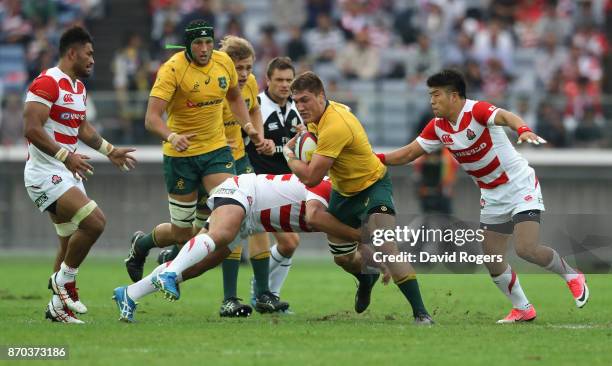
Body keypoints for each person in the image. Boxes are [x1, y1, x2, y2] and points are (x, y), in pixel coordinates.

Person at [377, 69, 589, 323]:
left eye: (436, 95)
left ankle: (572, 276)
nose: (431, 101)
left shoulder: (476, 111)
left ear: (454, 96)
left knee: (525, 248)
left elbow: (506, 116)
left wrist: (522, 128)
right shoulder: (437, 128)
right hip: (491, 194)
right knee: (492, 258)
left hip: (520, 185)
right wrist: (373, 159)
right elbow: (408, 153)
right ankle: (523, 309)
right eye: (430, 95)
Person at [112, 174, 382, 322]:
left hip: (252, 220)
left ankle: (130, 294)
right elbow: (316, 217)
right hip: (243, 192)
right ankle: (168, 272)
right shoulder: (329, 186)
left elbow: (362, 244)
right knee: (221, 234)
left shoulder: (352, 206)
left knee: (198, 266)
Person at [284, 71, 433, 324]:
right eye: (296, 101)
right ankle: (367, 277)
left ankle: (421, 314)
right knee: (342, 258)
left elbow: (310, 178)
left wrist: (289, 155)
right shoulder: (318, 118)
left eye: (305, 100)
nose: (300, 106)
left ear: (321, 96)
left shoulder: (335, 125)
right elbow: (316, 131)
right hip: (343, 192)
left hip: (373, 185)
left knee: (386, 246)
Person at [124, 20, 266, 284]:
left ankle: (229, 294)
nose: (204, 49)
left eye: (208, 42)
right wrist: (171, 135)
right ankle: (142, 244)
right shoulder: (172, 70)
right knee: (183, 233)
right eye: (198, 43)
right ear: (188, 45)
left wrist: (248, 125)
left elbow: (235, 97)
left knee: (230, 208)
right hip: (181, 158)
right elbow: (151, 118)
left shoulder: (223, 63)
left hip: (216, 151)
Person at [23, 26, 136, 323]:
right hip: (44, 173)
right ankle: (64, 282)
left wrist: (110, 150)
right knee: (95, 222)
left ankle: (57, 310)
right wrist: (65, 155)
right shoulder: (47, 83)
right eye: (89, 54)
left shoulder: (77, 88)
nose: (93, 60)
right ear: (72, 53)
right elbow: (32, 129)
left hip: (66, 171)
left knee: (68, 240)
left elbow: (82, 128)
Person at [246, 57, 304, 310]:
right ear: (267, 80)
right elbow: (238, 143)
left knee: (289, 244)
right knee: (289, 242)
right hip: (259, 186)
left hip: (287, 186)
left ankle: (267, 294)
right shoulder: (255, 105)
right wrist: (258, 143)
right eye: (279, 80)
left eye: (289, 80)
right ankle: (261, 291)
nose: (284, 85)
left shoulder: (298, 109)